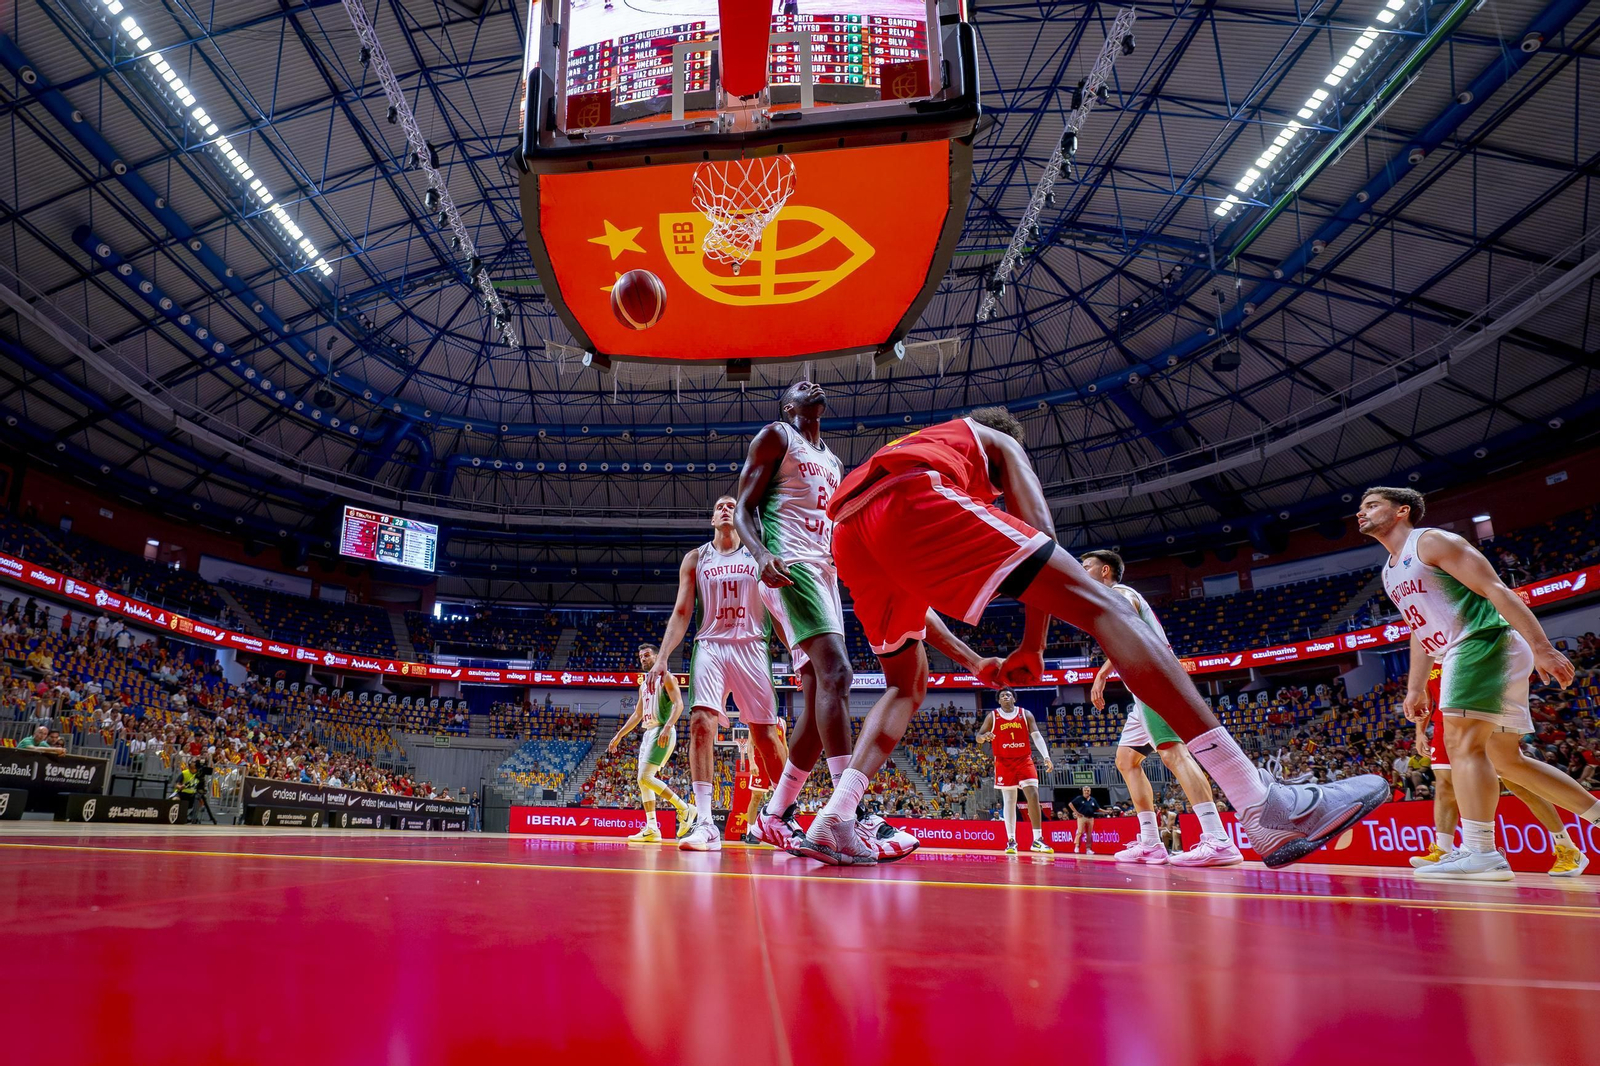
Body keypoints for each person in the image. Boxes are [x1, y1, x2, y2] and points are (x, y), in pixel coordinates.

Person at [795, 407, 1387, 865]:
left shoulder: (918, 445)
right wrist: (1033, 646)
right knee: (1112, 609)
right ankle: (1262, 804)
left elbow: (916, 604)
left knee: (905, 684)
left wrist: (976, 659)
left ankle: (836, 816)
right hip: (910, 494)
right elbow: (1041, 532)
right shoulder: (990, 439)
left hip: (849, 528)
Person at [1361, 485, 1598, 881]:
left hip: (1481, 642)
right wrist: (1415, 687)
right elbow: (1419, 629)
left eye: (1371, 505)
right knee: (1507, 761)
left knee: (1462, 747)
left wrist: (1542, 647)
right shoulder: (1389, 570)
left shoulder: (1432, 541)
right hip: (1469, 650)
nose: (1361, 513)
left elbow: (1495, 589)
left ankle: (1480, 851)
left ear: (1402, 511)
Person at [732, 380, 858, 849]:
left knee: (816, 702)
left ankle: (776, 812)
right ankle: (848, 812)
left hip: (825, 572)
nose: (813, 382)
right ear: (789, 407)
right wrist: (761, 555)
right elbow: (744, 508)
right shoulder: (776, 436)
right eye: (800, 386)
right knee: (838, 674)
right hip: (788, 564)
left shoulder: (833, 460)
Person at [1080, 550, 1244, 867]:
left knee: (1173, 753)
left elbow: (1131, 634)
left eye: (1085, 566)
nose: (1079, 570)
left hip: (1154, 680)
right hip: (1141, 687)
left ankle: (1217, 839)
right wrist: (1102, 674)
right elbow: (1127, 638)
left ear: (1104, 571)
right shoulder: (1112, 601)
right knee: (1126, 760)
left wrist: (1104, 674)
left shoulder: (1121, 594)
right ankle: (1151, 843)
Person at [649, 496, 787, 853]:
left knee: (765, 734)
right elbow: (681, 612)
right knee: (699, 723)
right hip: (711, 644)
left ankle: (787, 817)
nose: (726, 508)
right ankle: (707, 823)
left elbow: (778, 606)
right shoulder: (696, 558)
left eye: (732, 504)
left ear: (740, 516)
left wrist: (796, 649)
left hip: (752, 645)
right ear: (712, 518)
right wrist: (662, 657)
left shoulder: (758, 555)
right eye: (719, 505)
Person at [1407, 658, 1588, 878]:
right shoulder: (1428, 652)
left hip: (1479, 714)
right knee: (1445, 784)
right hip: (1445, 723)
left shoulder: (1466, 643)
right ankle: (1443, 850)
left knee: (1518, 783)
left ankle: (1567, 847)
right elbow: (1424, 696)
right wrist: (1419, 732)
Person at [608, 643, 694, 843]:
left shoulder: (667, 678)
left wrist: (668, 726)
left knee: (645, 777)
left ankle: (684, 808)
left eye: (647, 655)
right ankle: (652, 827)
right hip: (649, 732)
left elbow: (679, 704)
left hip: (662, 729)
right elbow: (638, 714)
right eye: (641, 657)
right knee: (642, 780)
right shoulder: (644, 684)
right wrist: (619, 735)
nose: (643, 659)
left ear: (657, 657)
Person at [974, 688, 1054, 854]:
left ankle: (1037, 840)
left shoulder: (1025, 714)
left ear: (1014, 699)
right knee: (1009, 799)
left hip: (1024, 759)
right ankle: (1011, 840)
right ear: (999, 700)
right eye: (1002, 695)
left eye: (1008, 694)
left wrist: (1046, 757)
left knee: (1033, 794)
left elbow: (1037, 736)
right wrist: (985, 736)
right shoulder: (993, 716)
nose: (1005, 696)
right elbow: (978, 736)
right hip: (1004, 761)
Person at [1068, 786, 1100, 854]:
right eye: (1085, 790)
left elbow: (1098, 808)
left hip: (1091, 818)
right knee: (1080, 832)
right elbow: (1070, 804)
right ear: (1083, 791)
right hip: (1082, 817)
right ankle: (1077, 846)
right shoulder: (1079, 798)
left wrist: (1106, 811)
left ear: (1090, 791)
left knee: (1089, 834)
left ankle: (1088, 849)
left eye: (1088, 790)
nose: (1086, 792)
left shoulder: (1093, 799)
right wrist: (1076, 813)